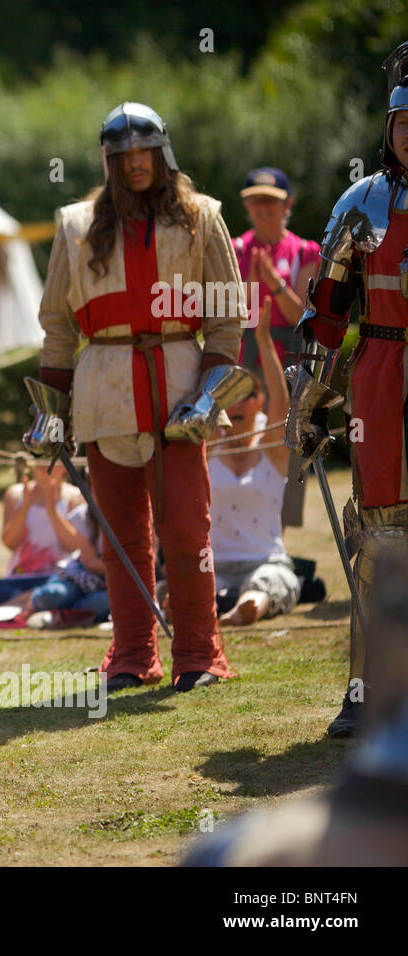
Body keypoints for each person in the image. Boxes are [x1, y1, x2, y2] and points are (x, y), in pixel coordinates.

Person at [28, 102, 246, 692]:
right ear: (109, 160)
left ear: (162, 152)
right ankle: (131, 655)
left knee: (184, 527)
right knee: (122, 534)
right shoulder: (76, 226)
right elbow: (57, 327)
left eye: (145, 152)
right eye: (123, 155)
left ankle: (199, 653)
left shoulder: (202, 219)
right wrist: (50, 414)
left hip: (180, 388)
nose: (135, 164)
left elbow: (227, 319)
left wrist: (207, 395)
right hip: (104, 391)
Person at [286, 42, 408, 737]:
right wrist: (307, 401)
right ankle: (365, 691)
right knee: (383, 539)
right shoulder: (363, 204)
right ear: (388, 131)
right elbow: (326, 315)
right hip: (384, 380)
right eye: (404, 124)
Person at [211, 302, 300, 626]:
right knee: (186, 589)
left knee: (265, 586)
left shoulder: (272, 447)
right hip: (213, 567)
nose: (237, 402)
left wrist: (263, 339)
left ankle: (242, 610)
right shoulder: (208, 444)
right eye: (229, 395)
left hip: (265, 562)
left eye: (245, 394)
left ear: (257, 402)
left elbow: (282, 401)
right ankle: (222, 607)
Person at [233, 167, 321, 370]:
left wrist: (275, 283)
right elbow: (225, 316)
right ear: (247, 205)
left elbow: (301, 318)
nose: (263, 207)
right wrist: (252, 283)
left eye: (270, 200)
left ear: (287, 204)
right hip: (243, 370)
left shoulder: (304, 252)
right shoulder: (234, 249)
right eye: (256, 200)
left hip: (288, 368)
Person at [0, 459, 84, 607]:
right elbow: (10, 543)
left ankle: (16, 603)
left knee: (55, 593)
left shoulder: (75, 496)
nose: (45, 464)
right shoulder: (16, 493)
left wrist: (52, 511)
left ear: (65, 465)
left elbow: (74, 546)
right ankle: (29, 601)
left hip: (57, 578)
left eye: (52, 458)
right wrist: (24, 508)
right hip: (20, 578)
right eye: (40, 457)